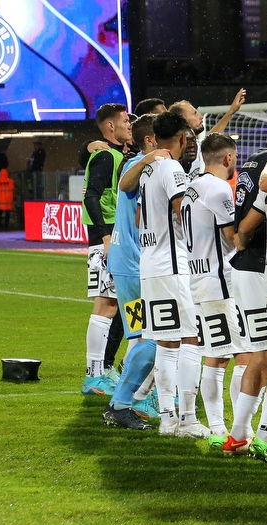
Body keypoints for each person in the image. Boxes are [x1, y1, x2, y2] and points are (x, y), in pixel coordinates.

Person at [223, 109, 267, 455]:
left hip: (246, 266)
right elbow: (251, 222)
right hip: (262, 268)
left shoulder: (252, 162)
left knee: (255, 349)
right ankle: (256, 431)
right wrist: (244, 238)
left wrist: (241, 238)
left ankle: (243, 431)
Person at [137, 111, 209, 438]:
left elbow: (141, 214)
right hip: (173, 264)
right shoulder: (172, 168)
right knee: (193, 337)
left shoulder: (147, 168)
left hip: (150, 265)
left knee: (167, 342)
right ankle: (189, 418)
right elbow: (183, 209)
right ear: (181, 138)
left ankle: (168, 420)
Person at [102, 114, 168, 430]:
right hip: (131, 266)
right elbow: (126, 182)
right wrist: (153, 157)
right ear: (150, 140)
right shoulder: (140, 164)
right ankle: (123, 402)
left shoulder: (146, 164)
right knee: (150, 337)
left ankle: (127, 400)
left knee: (147, 336)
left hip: (130, 263)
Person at [181, 133, 242, 443]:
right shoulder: (219, 189)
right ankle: (229, 427)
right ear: (228, 159)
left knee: (216, 356)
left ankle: (220, 425)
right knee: (239, 355)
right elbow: (233, 237)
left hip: (198, 279)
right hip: (219, 284)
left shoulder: (192, 188)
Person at [80, 103, 132, 397]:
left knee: (113, 306)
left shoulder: (115, 155)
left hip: (114, 238)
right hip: (106, 241)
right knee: (106, 306)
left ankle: (101, 373)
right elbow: (91, 198)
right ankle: (94, 376)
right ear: (110, 126)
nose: (128, 125)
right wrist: (105, 236)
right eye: (125, 121)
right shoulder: (105, 157)